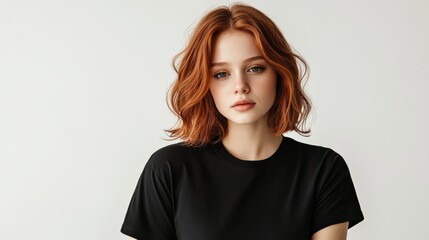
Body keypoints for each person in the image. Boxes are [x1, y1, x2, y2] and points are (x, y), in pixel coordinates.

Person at [121, 3, 364, 240]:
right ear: (205, 84)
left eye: (256, 68)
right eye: (222, 74)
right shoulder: (169, 169)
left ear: (280, 72)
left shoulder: (323, 170)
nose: (240, 87)